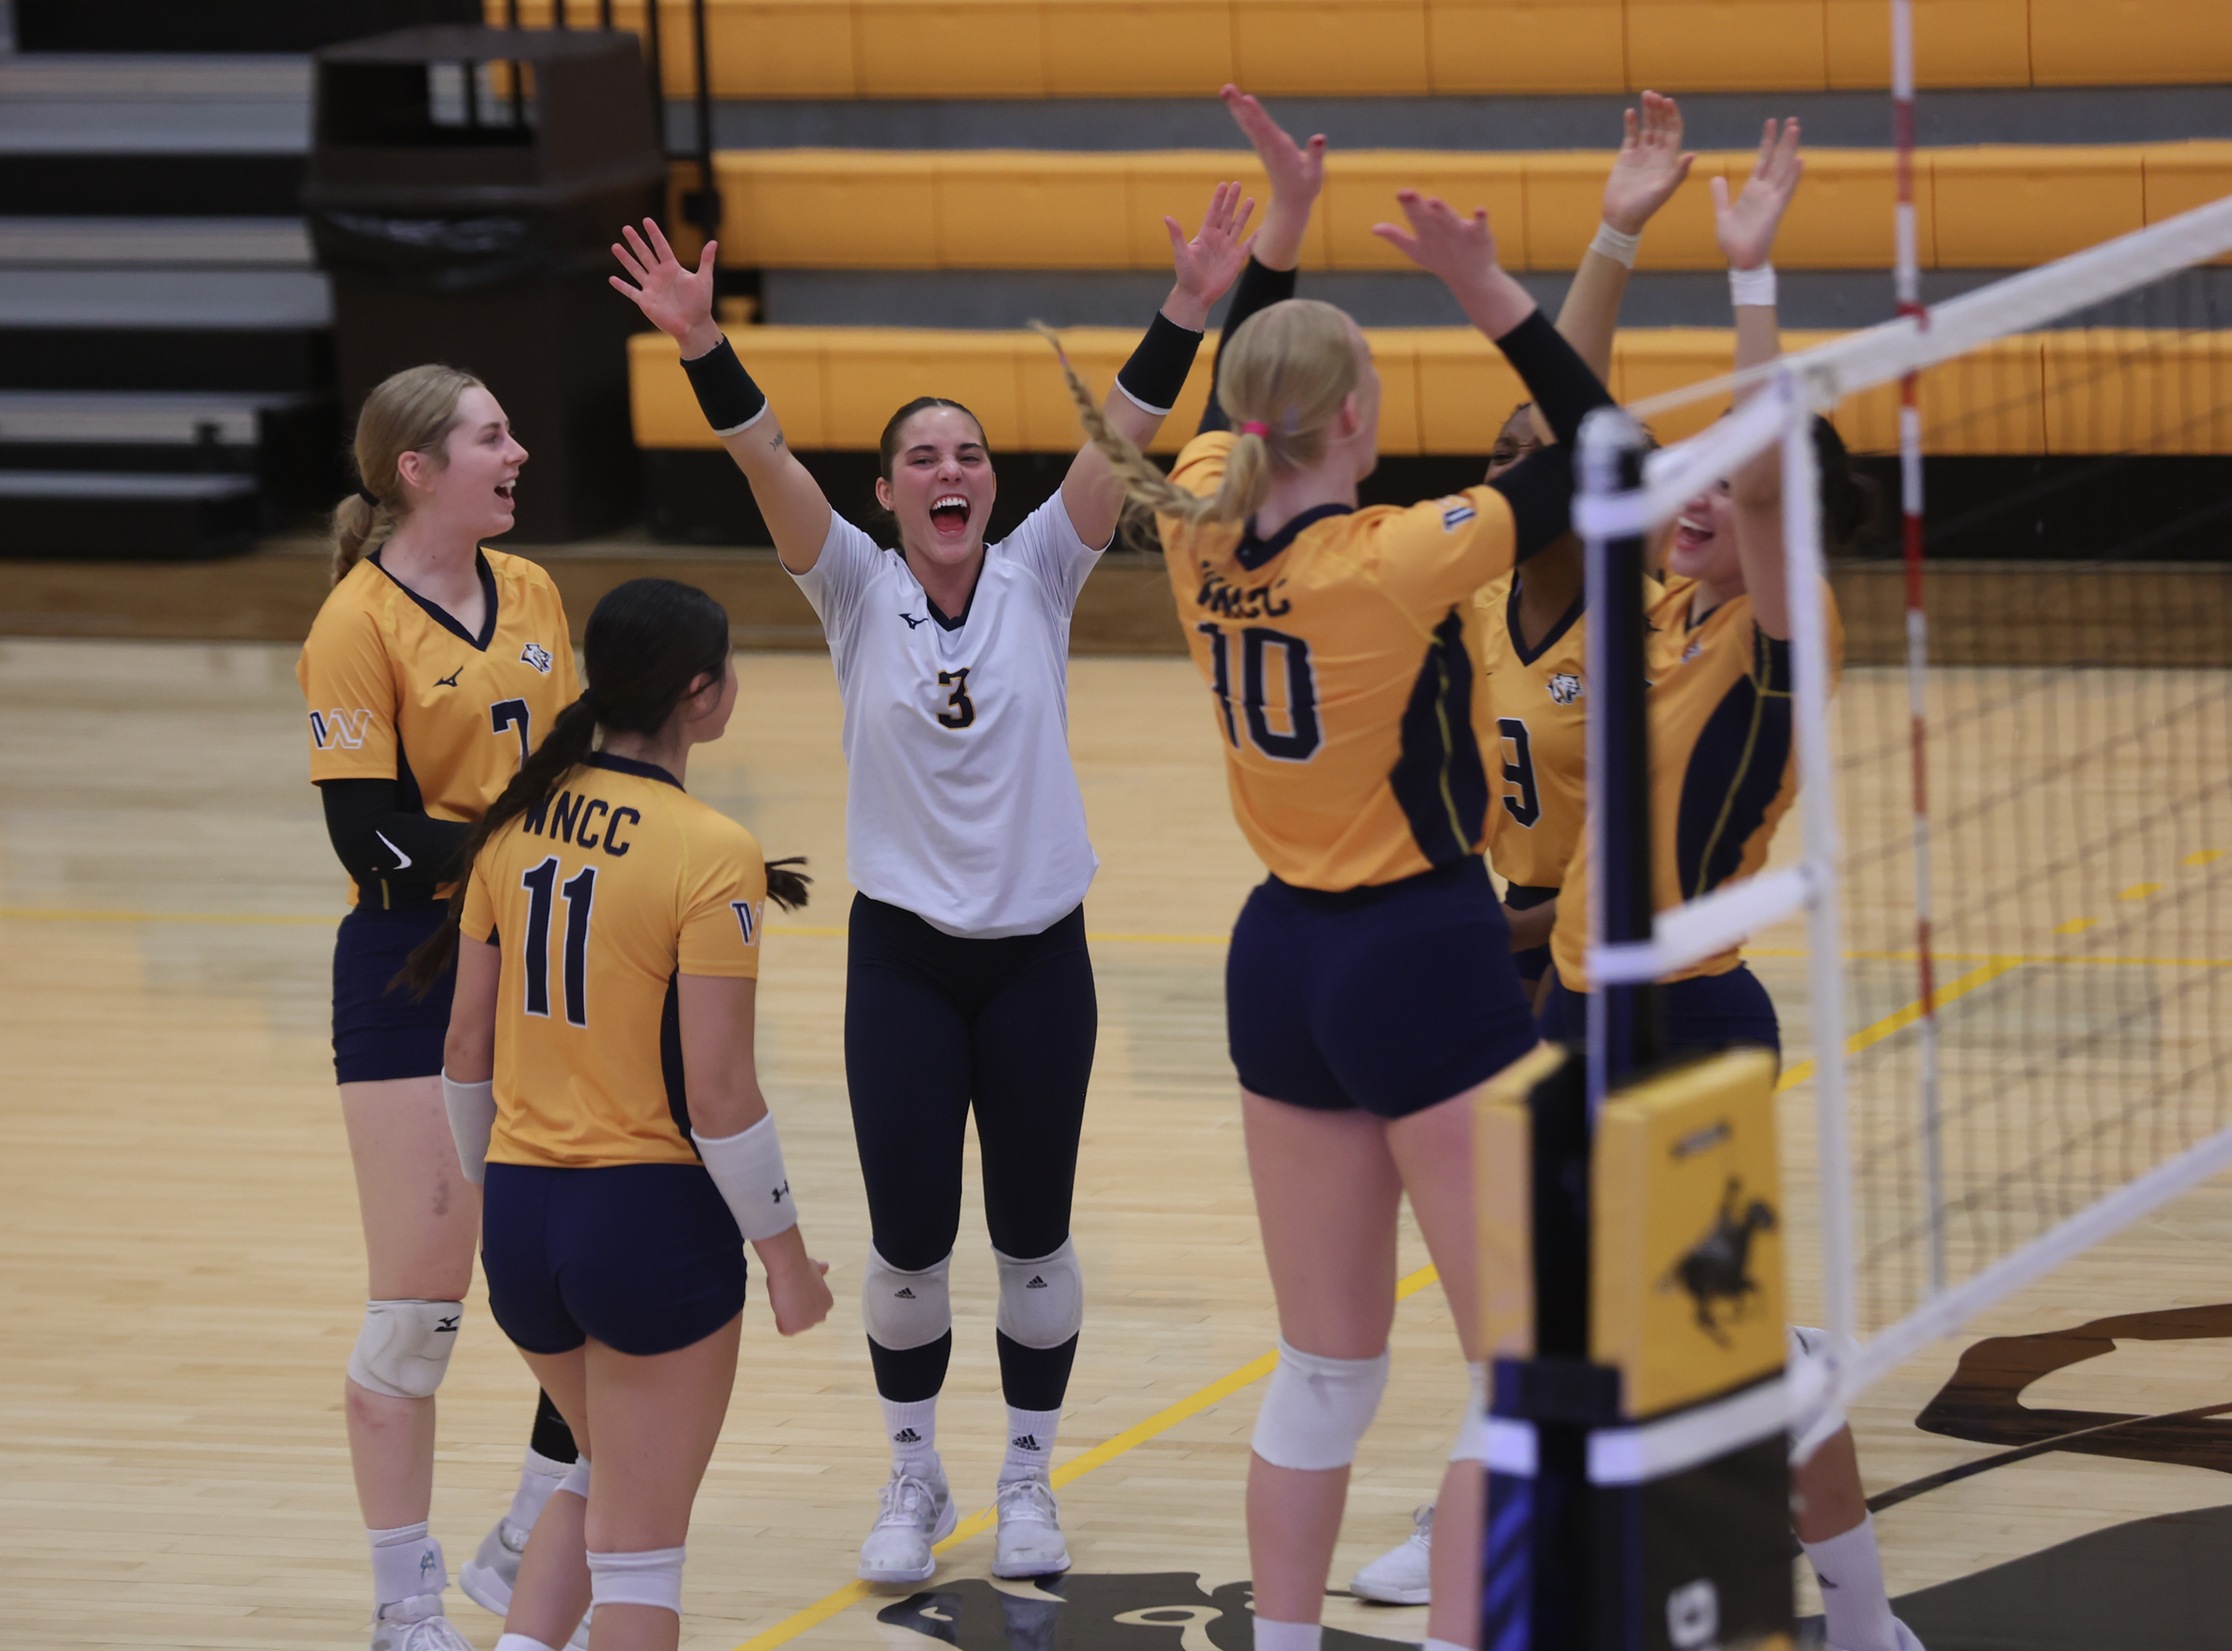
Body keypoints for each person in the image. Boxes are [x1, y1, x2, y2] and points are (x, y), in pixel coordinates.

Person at [606, 167, 1259, 1584]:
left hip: (1037, 955)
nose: (951, 470)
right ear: (887, 492)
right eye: (923, 457)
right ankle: (914, 1470)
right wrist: (703, 344)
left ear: (992, 482)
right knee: (907, 1245)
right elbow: (766, 463)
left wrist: (1188, 305)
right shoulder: (848, 583)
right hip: (903, 961)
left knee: (1034, 1237)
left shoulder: (1041, 570)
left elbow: (1132, 428)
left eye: (968, 452)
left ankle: (1030, 1474)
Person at [1042, 92, 1623, 1645]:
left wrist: (1278, 231)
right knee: (1532, 1355)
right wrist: (1489, 288)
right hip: (1421, 951)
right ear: (1358, 419)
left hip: (1280, 960)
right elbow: (1609, 451)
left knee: (1327, 1365)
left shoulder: (1193, 524)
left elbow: (1251, 388)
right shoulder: (1396, 555)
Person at [1537, 119, 1919, 1651]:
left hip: (1689, 1019)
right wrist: (1618, 234)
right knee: (1608, 1345)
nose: (1691, 495)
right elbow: (1567, 417)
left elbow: (1762, 472)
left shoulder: (1782, 614)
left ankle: (1859, 1617)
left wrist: (1751, 270)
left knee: (1737, 1352)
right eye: (1681, 480)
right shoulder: (1651, 599)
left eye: (1723, 490)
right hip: (1579, 1008)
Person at [1343, 90, 1695, 1618]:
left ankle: (1533, 1489)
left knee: (1561, 1247)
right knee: (1531, 1247)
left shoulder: (1641, 615)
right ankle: (1537, 1469)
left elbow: (1581, 391)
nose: (1503, 461)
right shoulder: (1481, 598)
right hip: (1524, 948)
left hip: (1617, 955)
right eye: (1495, 445)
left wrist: (1614, 233)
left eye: (1526, 448)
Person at [404, 576, 835, 1651]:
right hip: (646, 1224)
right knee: (643, 1550)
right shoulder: (709, 848)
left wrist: (492, 1183)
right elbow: (720, 1091)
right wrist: (786, 1258)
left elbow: (463, 1047)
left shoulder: (509, 831)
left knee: (602, 1475)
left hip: (526, 1223)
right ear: (701, 691)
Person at [297, 365, 589, 1651]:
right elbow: (366, 838)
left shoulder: (531, 592)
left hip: (539, 965)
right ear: (418, 470)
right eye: (490, 437)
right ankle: (401, 1603)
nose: (516, 451)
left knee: (587, 1281)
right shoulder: (354, 625)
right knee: (418, 1318)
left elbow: (573, 774)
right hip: (413, 970)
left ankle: (525, 1535)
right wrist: (510, 859)